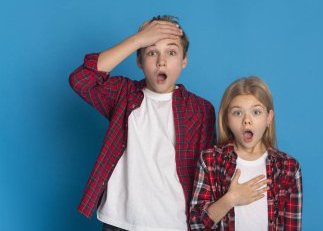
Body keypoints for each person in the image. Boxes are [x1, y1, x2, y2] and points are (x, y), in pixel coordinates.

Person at [69, 15, 216, 231]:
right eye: (151, 52)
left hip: (173, 223)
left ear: (184, 61)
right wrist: (139, 39)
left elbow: (206, 177)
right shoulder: (124, 95)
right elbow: (81, 80)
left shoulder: (201, 110)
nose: (161, 61)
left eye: (171, 52)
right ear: (139, 61)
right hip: (119, 222)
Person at [189, 76, 302, 231]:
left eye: (256, 112)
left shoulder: (288, 167)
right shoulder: (210, 160)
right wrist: (231, 199)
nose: (246, 121)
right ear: (227, 119)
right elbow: (196, 225)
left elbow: (292, 226)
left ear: (268, 118)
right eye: (237, 113)